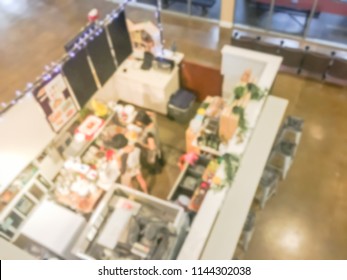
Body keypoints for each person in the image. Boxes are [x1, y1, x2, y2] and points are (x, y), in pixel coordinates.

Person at [134, 110, 163, 174]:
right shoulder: (152, 119)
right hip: (157, 141)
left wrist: (141, 143)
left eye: (138, 122)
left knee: (153, 160)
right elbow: (153, 113)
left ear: (143, 121)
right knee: (158, 155)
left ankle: (157, 169)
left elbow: (152, 147)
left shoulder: (149, 133)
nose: (137, 123)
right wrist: (143, 113)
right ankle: (160, 162)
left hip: (152, 150)